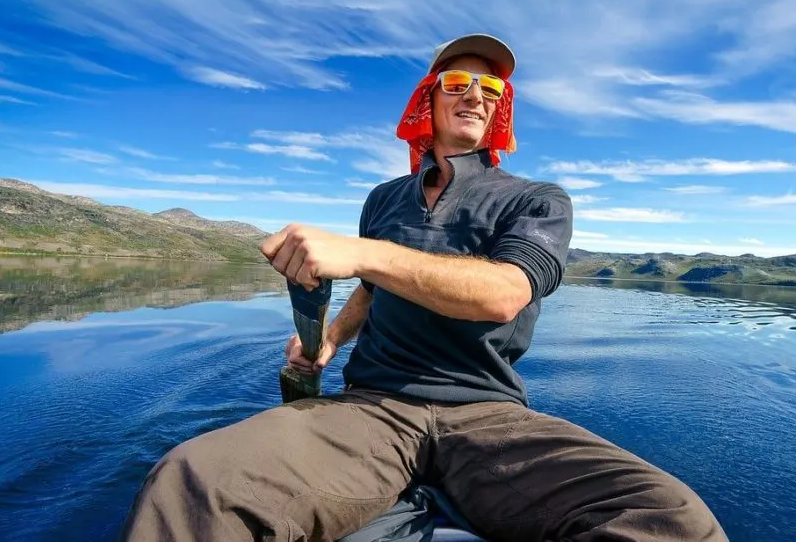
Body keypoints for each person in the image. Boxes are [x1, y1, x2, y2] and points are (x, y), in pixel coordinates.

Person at [121, 34, 727, 541]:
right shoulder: (383, 200)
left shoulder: (537, 200)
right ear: (427, 99)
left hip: (487, 415)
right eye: (458, 82)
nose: (475, 95)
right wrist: (329, 338)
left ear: (501, 109)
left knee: (671, 519)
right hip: (374, 406)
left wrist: (363, 251)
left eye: (491, 90)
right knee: (193, 480)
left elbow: (504, 293)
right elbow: (370, 288)